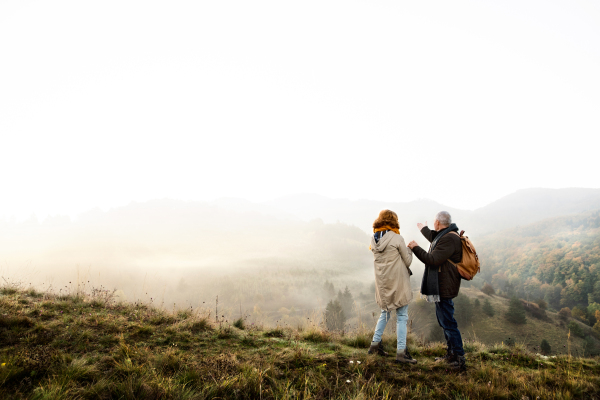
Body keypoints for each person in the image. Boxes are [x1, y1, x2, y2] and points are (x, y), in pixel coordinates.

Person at [407, 211, 466, 371]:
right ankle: (452, 354)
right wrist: (424, 229)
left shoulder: (449, 238)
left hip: (444, 286)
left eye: (434, 222)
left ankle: (459, 359)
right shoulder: (448, 235)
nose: (434, 224)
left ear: (438, 223)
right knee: (445, 321)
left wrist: (415, 247)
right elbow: (436, 239)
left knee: (448, 323)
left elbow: (432, 260)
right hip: (443, 285)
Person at [368, 209, 416, 364]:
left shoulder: (373, 239)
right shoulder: (397, 238)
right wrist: (411, 249)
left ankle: (375, 345)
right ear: (394, 221)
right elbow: (407, 261)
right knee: (401, 316)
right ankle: (401, 353)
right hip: (398, 282)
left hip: (383, 284)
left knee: (385, 313)